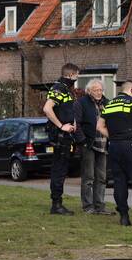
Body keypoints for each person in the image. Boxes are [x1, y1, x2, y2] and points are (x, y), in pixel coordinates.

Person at [97, 81, 132, 227]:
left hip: (114, 146)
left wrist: (113, 137)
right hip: (130, 144)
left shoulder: (109, 104)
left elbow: (99, 126)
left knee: (119, 181)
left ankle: (123, 216)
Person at [42, 62, 79, 215]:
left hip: (65, 135)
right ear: (71, 75)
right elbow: (47, 108)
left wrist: (73, 123)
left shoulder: (65, 89)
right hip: (59, 136)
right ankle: (56, 204)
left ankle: (58, 202)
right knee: (59, 169)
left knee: (62, 169)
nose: (77, 78)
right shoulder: (59, 88)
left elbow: (66, 110)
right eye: (77, 75)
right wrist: (61, 126)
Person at [73, 79, 111, 215]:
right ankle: (88, 206)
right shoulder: (81, 103)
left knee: (101, 177)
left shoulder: (107, 103)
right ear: (89, 91)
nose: (99, 93)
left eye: (101, 90)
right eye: (96, 90)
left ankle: (100, 206)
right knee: (88, 177)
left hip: (104, 144)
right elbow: (76, 123)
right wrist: (82, 141)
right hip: (88, 144)